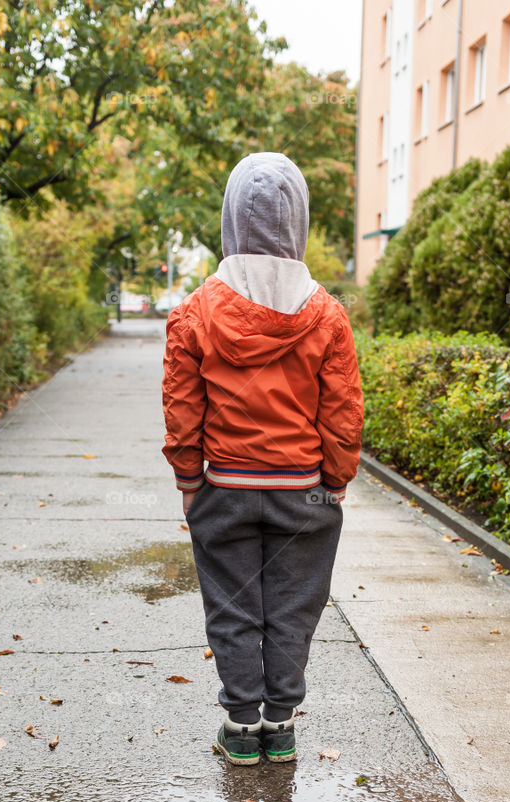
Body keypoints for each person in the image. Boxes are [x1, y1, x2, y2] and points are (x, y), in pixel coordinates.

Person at [162, 152, 363, 765]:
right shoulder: (326, 313)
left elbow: (181, 404)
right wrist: (336, 479)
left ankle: (241, 729)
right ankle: (282, 724)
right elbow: (343, 409)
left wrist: (188, 478)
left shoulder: (195, 311)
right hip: (302, 488)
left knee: (232, 604)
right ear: (298, 220)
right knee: (294, 606)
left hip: (224, 483)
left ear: (229, 220)